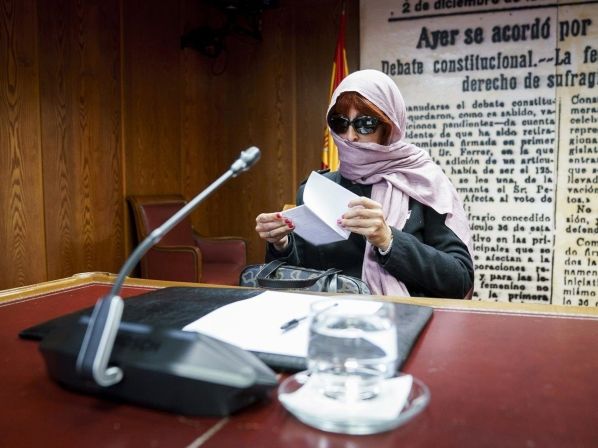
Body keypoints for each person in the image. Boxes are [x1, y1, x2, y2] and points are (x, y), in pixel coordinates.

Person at [255, 69, 474, 298]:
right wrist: (282, 244)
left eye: (365, 123)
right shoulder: (317, 189)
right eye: (340, 123)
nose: (350, 136)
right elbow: (300, 276)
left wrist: (389, 240)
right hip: (329, 316)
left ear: (389, 128)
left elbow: (460, 279)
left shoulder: (423, 185)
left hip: (402, 316)